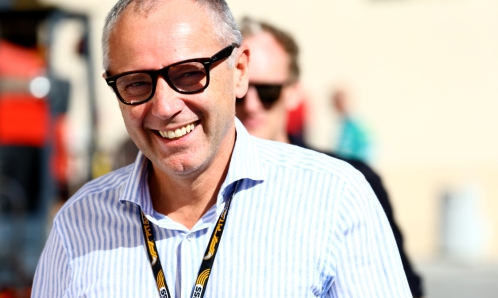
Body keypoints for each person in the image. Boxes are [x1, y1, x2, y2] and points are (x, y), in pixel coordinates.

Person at [31, 1, 411, 297]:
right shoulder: (77, 225)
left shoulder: (334, 199)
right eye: (136, 83)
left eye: (189, 73)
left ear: (240, 71)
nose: (165, 107)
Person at [237, 17, 423, 298]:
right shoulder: (200, 185)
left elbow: (403, 285)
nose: (251, 104)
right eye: (237, 90)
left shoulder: (349, 182)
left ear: (293, 93)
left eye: (267, 92)